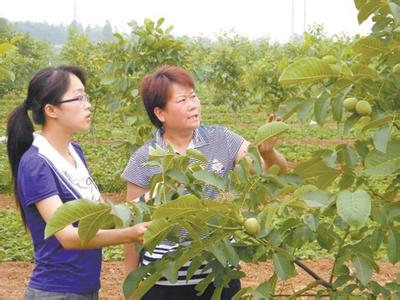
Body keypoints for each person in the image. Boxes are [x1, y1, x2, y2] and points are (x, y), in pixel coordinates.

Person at [121, 66, 288, 299]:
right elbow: (131, 224)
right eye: (182, 100)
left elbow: (270, 171)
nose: (193, 105)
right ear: (160, 113)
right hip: (164, 282)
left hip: (219, 275)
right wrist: (131, 285)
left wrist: (268, 153)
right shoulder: (144, 157)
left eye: (194, 96)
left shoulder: (222, 138)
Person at [6, 66, 150, 300]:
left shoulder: (75, 153)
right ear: (51, 110)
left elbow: (104, 214)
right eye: (78, 97)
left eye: (86, 96)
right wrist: (131, 234)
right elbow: (68, 237)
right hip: (57, 292)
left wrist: (148, 200)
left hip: (84, 289)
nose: (88, 104)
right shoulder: (36, 163)